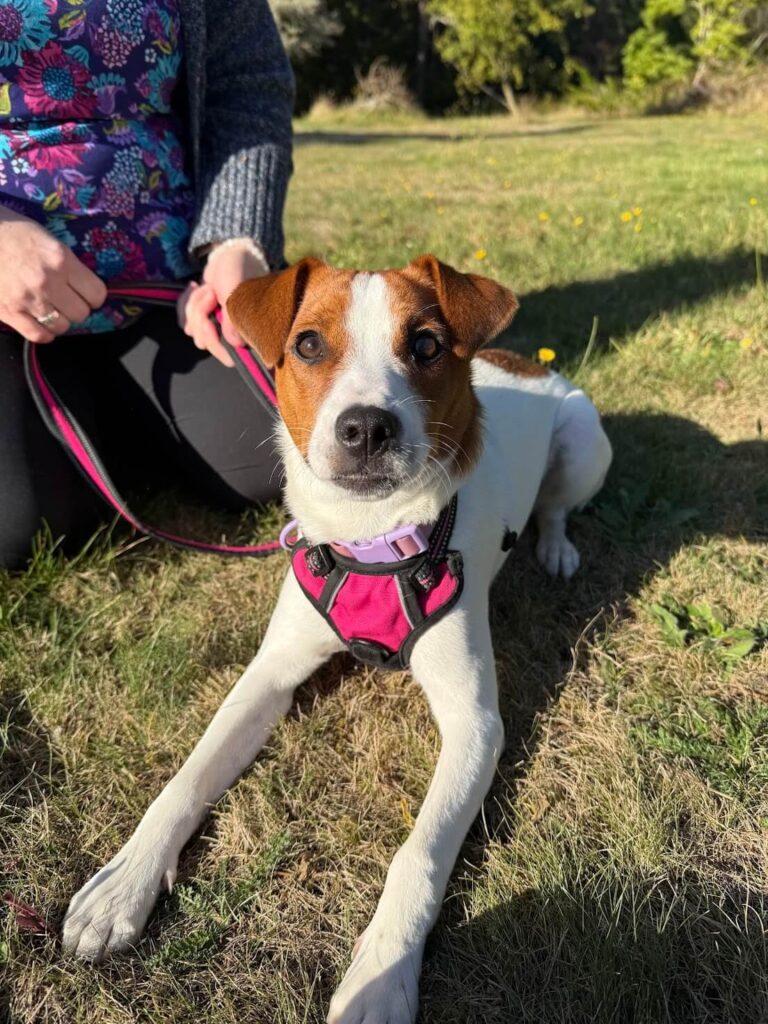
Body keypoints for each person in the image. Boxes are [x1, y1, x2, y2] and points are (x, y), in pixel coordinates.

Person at [0, 0, 294, 570]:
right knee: (19, 527)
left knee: (272, 458)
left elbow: (248, 84)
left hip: (173, 288)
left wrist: (234, 243)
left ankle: (106, 412)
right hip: (9, 299)